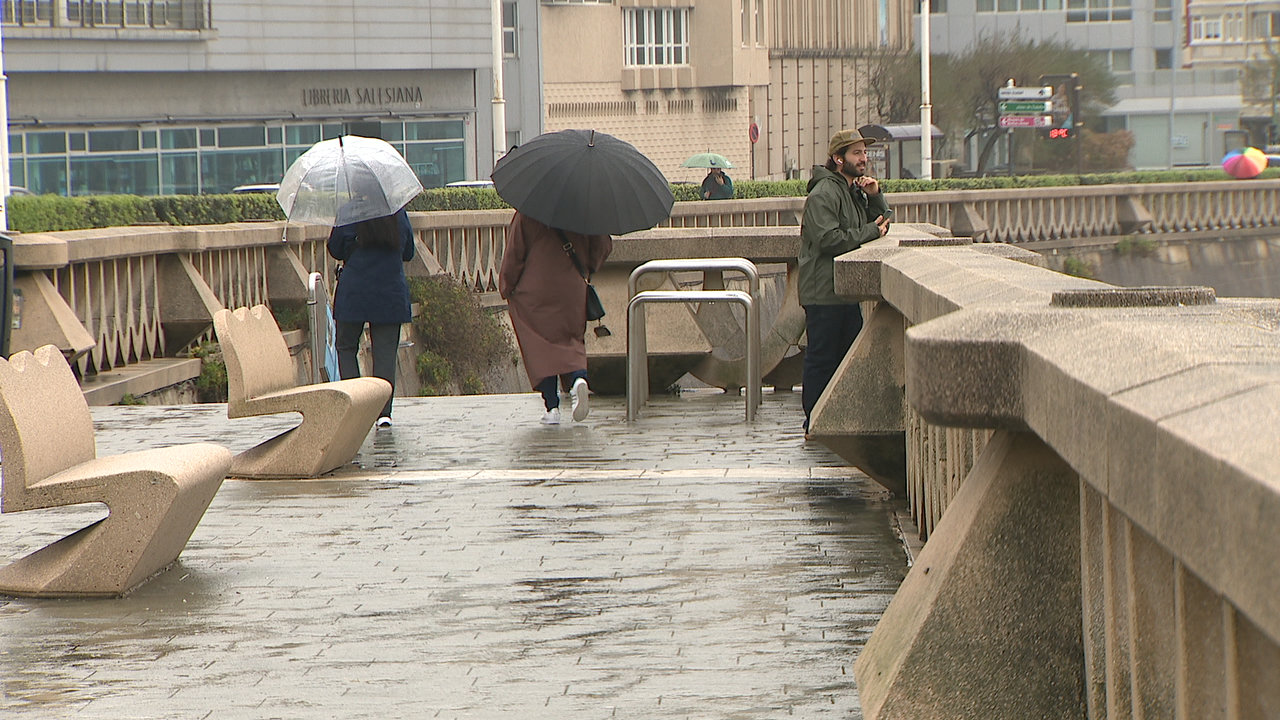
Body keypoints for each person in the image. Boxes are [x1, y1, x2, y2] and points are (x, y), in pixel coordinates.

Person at [799, 129, 890, 435]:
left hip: (844, 291)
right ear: (839, 160)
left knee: (845, 362)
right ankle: (813, 422)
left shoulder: (852, 191)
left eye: (865, 153)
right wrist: (870, 233)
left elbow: (880, 224)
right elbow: (828, 239)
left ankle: (833, 421)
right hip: (823, 292)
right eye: (856, 154)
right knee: (822, 360)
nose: (864, 159)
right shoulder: (825, 193)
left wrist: (876, 197)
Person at [499, 211, 613, 425]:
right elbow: (601, 246)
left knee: (539, 346)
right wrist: (587, 268)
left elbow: (515, 254)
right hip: (571, 287)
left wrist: (507, 286)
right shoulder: (584, 210)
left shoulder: (528, 212)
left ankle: (552, 407)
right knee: (571, 338)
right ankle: (578, 379)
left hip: (535, 290)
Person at [327, 206, 415, 428]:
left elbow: (335, 248)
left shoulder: (349, 212)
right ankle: (383, 412)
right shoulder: (397, 213)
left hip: (355, 290)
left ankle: (356, 405)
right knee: (385, 352)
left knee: (346, 347)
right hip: (389, 291)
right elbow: (408, 252)